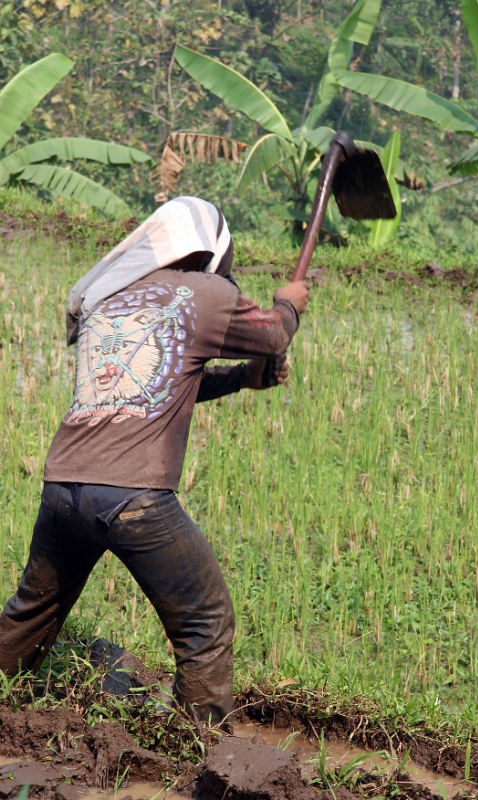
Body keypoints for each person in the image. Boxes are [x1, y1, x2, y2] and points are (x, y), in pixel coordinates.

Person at [0, 197, 309, 729]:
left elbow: (165, 380)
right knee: (205, 620)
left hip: (64, 488)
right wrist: (290, 302)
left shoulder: (111, 298)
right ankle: (201, 748)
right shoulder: (207, 294)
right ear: (213, 250)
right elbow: (274, 333)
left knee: (33, 610)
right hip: (132, 498)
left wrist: (240, 377)